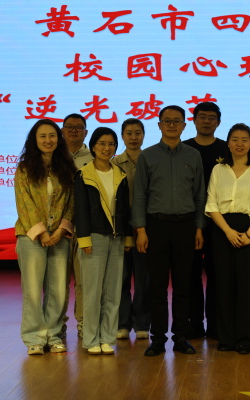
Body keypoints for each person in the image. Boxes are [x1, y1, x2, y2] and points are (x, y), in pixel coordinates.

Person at [133, 105, 206, 356]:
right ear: (159, 125)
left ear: (185, 125)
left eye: (177, 121)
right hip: (156, 226)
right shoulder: (148, 156)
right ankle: (158, 338)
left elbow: (200, 195)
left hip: (186, 226)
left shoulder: (193, 156)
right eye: (167, 121)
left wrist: (199, 227)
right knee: (157, 286)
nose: (172, 125)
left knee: (184, 285)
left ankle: (181, 337)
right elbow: (139, 195)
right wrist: (141, 230)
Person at [206, 123, 250, 354]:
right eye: (235, 139)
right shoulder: (218, 170)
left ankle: (247, 340)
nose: (239, 144)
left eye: (244, 140)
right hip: (222, 229)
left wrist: (249, 234)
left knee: (248, 286)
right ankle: (227, 338)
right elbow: (212, 204)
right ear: (228, 143)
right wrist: (228, 232)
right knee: (224, 285)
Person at [15, 119, 76, 355]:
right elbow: (24, 203)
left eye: (52, 136)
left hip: (60, 236)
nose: (48, 140)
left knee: (58, 289)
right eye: (43, 136)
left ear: (58, 139)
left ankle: (54, 335)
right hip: (31, 237)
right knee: (32, 290)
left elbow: (72, 203)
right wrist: (41, 232)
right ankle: (34, 339)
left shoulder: (67, 167)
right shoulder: (24, 168)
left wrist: (61, 230)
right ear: (35, 140)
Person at [74, 127, 133, 355]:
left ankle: (107, 338)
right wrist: (84, 239)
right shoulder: (84, 174)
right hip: (93, 238)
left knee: (113, 291)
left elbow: (125, 210)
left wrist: (128, 237)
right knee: (92, 292)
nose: (106, 148)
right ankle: (91, 339)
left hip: (117, 239)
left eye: (111, 144)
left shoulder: (120, 174)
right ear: (93, 146)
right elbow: (80, 210)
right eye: (102, 143)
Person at [183, 102, 226, 340]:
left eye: (211, 118)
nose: (207, 121)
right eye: (202, 117)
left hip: (219, 221)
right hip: (189, 220)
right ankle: (195, 322)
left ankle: (216, 323)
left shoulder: (226, 149)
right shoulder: (184, 148)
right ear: (194, 120)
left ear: (218, 122)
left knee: (217, 273)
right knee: (190, 274)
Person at [112, 118, 151, 341]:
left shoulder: (151, 160)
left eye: (138, 133)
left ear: (144, 135)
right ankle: (122, 323)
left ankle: (143, 323)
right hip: (121, 227)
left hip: (146, 227)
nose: (133, 137)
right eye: (129, 133)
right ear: (122, 136)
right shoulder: (114, 163)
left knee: (144, 278)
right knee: (121, 277)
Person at [61, 113, 93, 339]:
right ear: (62, 131)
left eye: (78, 127)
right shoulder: (53, 157)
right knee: (58, 282)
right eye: (69, 127)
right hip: (59, 229)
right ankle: (57, 326)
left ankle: (83, 323)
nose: (73, 130)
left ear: (86, 132)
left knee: (84, 281)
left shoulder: (94, 158)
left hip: (84, 228)